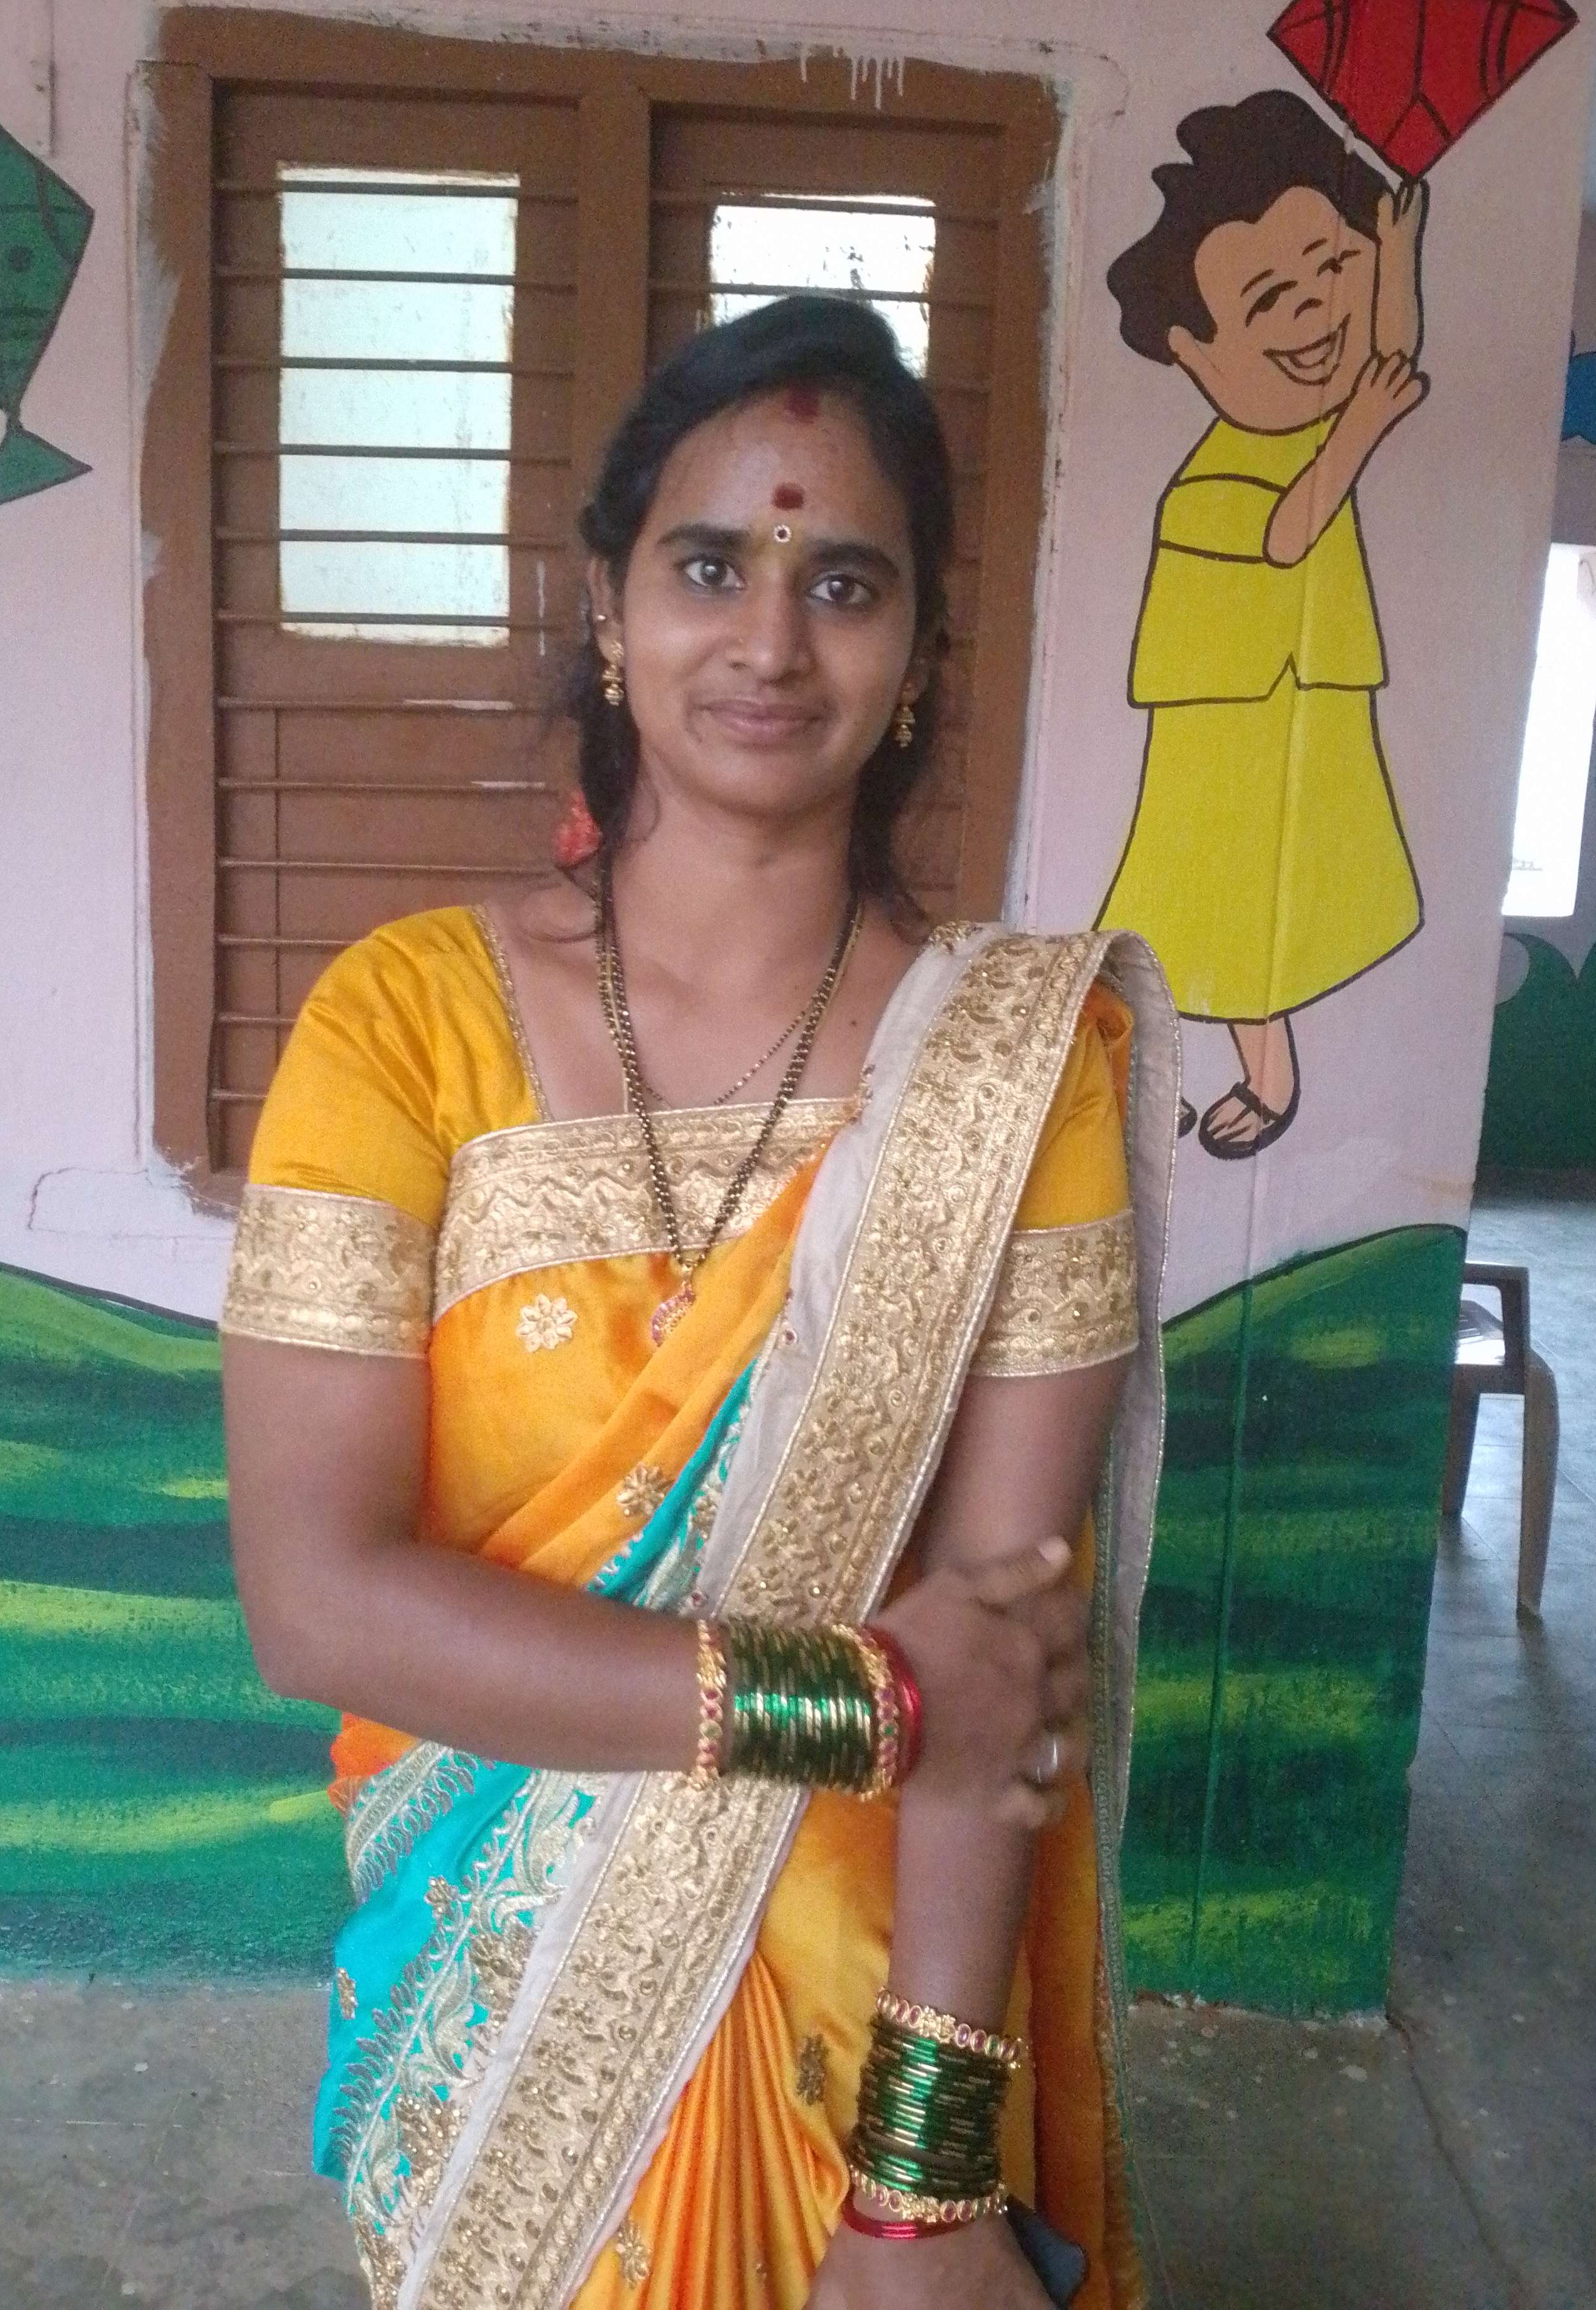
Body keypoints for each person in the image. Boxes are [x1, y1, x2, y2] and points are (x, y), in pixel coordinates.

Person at [221, 294, 1176, 2310]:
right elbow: (316, 1599)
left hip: (868, 2027)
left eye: (845, 584)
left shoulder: (1017, 1070)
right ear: (608, 607)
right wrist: (860, 1696)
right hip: (500, 2029)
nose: (770, 640)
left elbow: (1001, 1660)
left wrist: (924, 2194)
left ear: (920, 654)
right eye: (710, 566)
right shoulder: (402, 1028)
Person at [1096, 90, 1428, 1158]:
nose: (1313, 314)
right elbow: (1288, 535)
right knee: (1195, 913)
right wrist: (1362, 427)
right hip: (1220, 724)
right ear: (1193, 351)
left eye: (1333, 269)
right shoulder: (1216, 478)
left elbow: (1385, 358)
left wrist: (1398, 256)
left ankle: (1263, 1079)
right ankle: (1153, 1077)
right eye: (1269, 298)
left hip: (1300, 704)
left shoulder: (1323, 420)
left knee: (1269, 921)